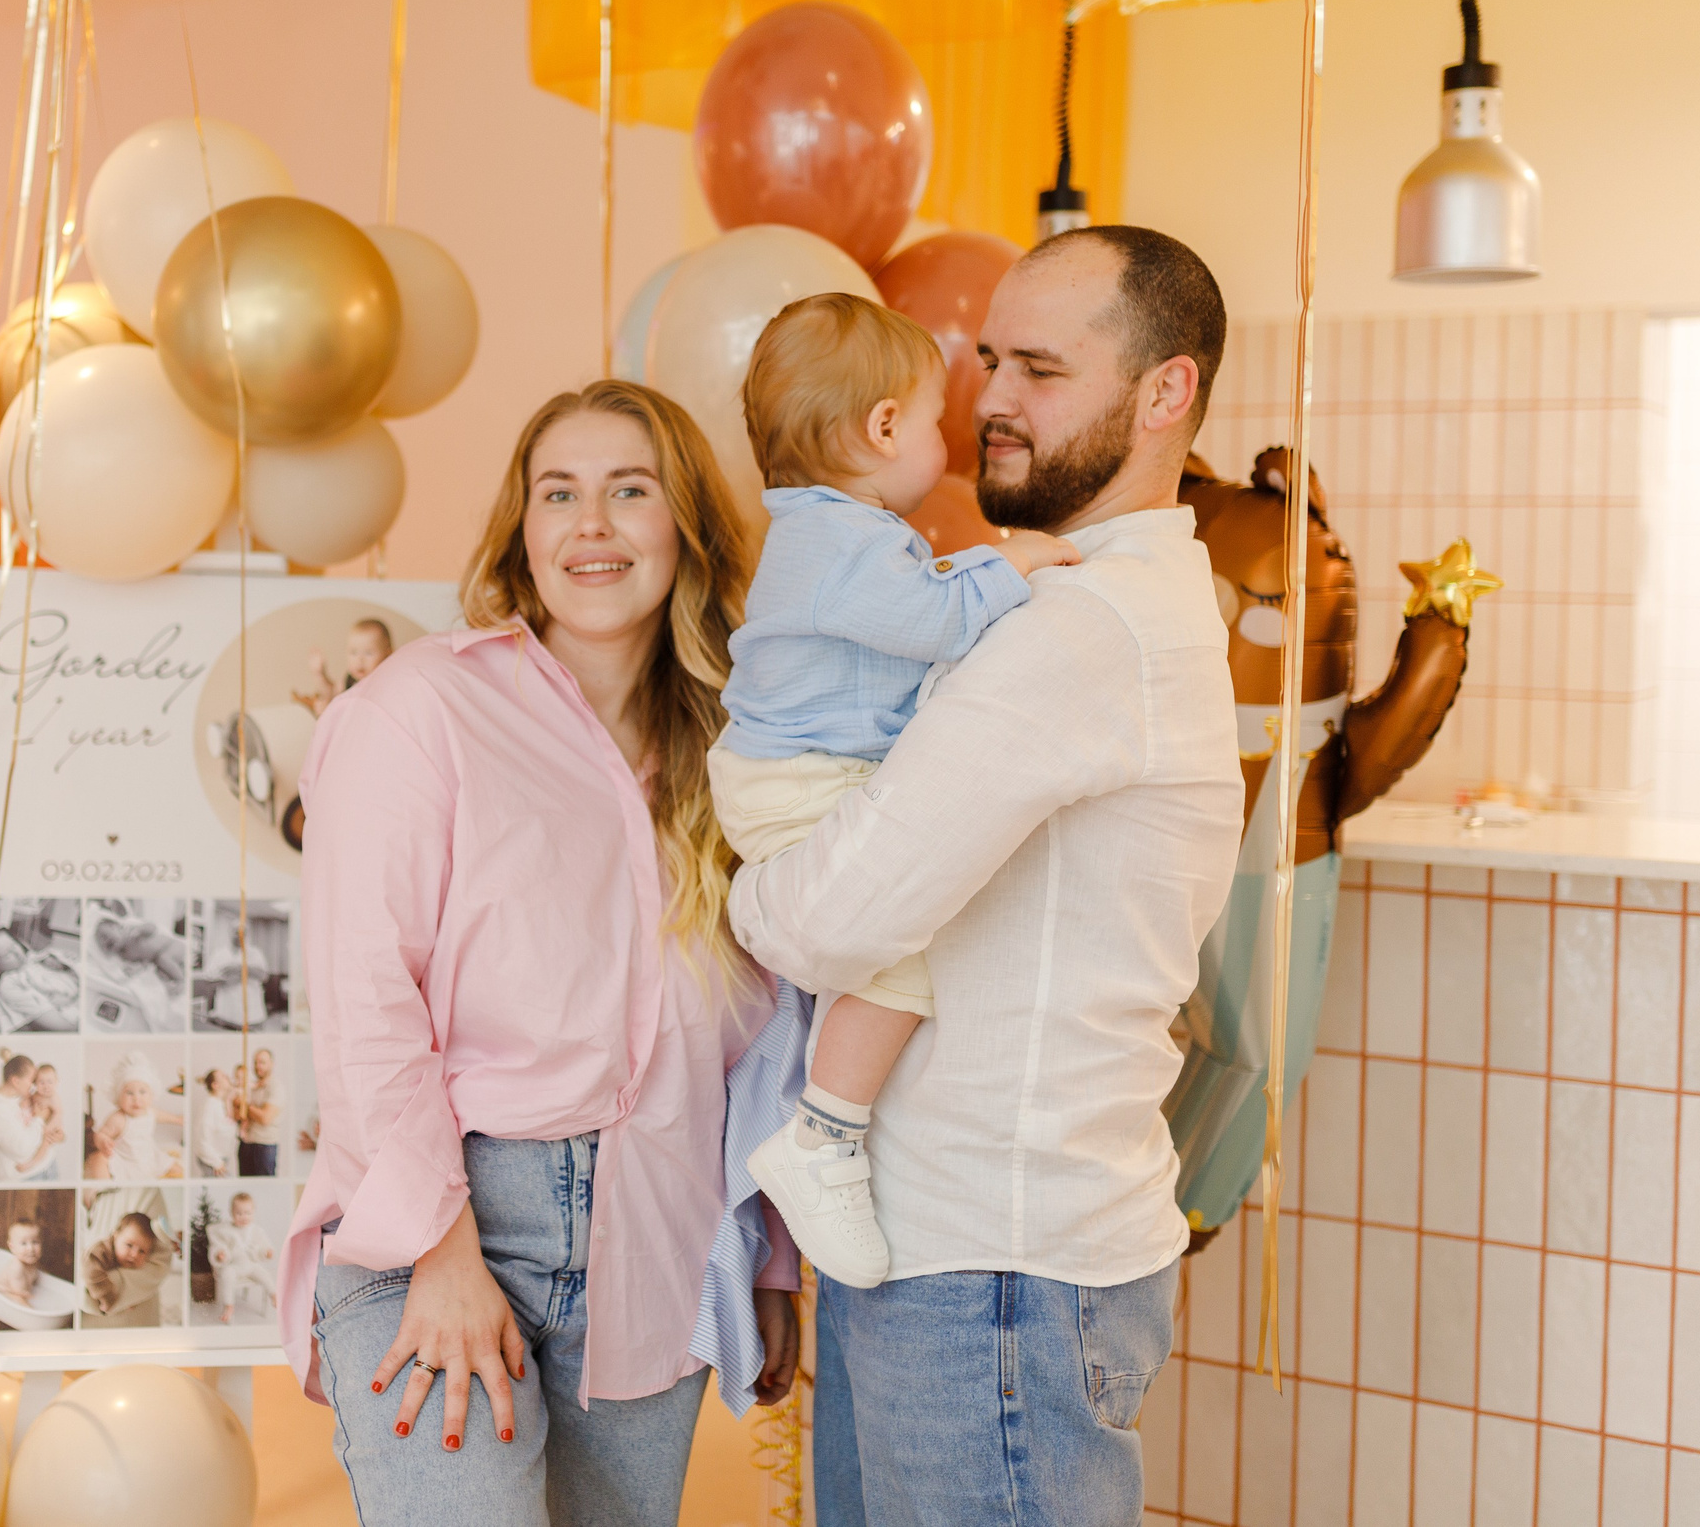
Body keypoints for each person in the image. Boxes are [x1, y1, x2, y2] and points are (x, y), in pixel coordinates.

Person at [728, 226, 1245, 1527]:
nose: (996, 401)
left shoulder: (1081, 626)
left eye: (1044, 370)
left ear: (1165, 391)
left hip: (998, 1272)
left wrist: (742, 888)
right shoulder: (1058, 599)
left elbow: (834, 917)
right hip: (952, 1250)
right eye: (991, 360)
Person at [284, 380, 801, 1527]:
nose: (591, 526)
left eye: (631, 491)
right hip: (451, 1215)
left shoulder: (743, 760)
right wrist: (441, 1250)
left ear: (686, 529)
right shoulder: (419, 710)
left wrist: (763, 1259)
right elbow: (368, 999)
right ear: (522, 532)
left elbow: (764, 1043)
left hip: (658, 1237)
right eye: (557, 494)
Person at [711, 292, 1080, 1288]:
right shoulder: (840, 543)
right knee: (897, 958)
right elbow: (927, 621)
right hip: (797, 780)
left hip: (793, 772)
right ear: (881, 429)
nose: (946, 442)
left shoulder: (832, 533)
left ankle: (827, 1119)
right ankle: (822, 1139)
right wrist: (1012, 566)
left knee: (879, 946)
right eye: (930, 422)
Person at [88, 1051, 183, 1182]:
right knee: (98, 1159)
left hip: (149, 1157)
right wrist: (104, 1141)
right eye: (129, 1093)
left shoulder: (150, 1112)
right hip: (125, 1161)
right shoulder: (118, 1119)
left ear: (152, 1095)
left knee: (176, 1168)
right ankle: (101, 1190)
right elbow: (100, 1134)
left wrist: (178, 1119)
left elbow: (164, 1116)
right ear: (118, 1096)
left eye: (143, 1092)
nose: (136, 1098)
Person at [0, 1052, 65, 1182]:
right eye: (32, 1080)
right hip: (26, 1177)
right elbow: (22, 1148)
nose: (34, 1086)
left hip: (49, 1165)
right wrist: (40, 1118)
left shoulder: (22, 1093)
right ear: (16, 1081)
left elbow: (53, 1119)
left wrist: (59, 1136)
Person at [84, 1210, 178, 1322]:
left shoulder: (129, 1261)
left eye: (142, 1251)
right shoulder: (99, 1252)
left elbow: (134, 1286)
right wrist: (106, 1297)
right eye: (129, 1245)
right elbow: (91, 1272)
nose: (134, 1254)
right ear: (115, 1236)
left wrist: (127, 1299)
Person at [295, 618, 396, 717]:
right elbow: (333, 692)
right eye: (353, 652)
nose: (359, 660)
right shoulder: (351, 679)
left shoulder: (381, 683)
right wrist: (320, 674)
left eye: (368, 653)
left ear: (388, 653)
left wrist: (331, 710)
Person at [208, 1190, 278, 1325]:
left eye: (247, 1213)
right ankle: (229, 1306)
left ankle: (274, 1294)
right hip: (235, 1265)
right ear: (231, 1213)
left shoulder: (256, 1230)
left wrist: (266, 1252)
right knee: (227, 1274)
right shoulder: (226, 1231)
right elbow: (218, 1244)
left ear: (253, 1212)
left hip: (251, 1265)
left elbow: (264, 1245)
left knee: (264, 1274)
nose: (243, 1217)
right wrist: (220, 1254)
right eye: (239, 1213)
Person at [234, 1046, 284, 1177]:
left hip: (264, 1147)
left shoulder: (276, 1087)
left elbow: (265, 1118)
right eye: (255, 1062)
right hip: (245, 1145)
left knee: (264, 1185)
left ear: (271, 1064)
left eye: (262, 1062)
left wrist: (244, 1105)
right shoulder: (251, 1086)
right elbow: (239, 1114)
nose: (258, 1066)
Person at [192, 1067, 241, 1177]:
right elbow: (201, 1140)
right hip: (213, 1163)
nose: (228, 1078)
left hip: (220, 1161)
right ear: (215, 1085)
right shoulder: (209, 1107)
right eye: (224, 1077)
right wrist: (217, 1163)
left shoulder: (221, 1104)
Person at [0, 1218, 48, 1305]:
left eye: (35, 1242)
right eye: (23, 1243)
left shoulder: (32, 1262)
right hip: (3, 1292)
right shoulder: (16, 1267)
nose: (31, 1248)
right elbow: (20, 1292)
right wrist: (34, 1299)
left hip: (20, 1290)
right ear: (12, 1247)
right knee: (19, 1300)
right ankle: (32, 1315)